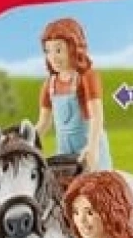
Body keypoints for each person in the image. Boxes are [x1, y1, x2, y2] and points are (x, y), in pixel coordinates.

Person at [34, 17, 112, 171]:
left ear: (74, 48)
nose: (53, 57)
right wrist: (24, 143)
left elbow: (97, 117)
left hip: (89, 150)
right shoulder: (49, 84)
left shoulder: (87, 77)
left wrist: (92, 147)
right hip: (64, 153)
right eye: (48, 51)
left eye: (58, 50)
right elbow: (43, 123)